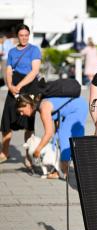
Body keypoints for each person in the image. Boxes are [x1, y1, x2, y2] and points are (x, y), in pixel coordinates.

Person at [15, 93, 88, 178]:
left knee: (64, 136)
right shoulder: (42, 104)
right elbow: (56, 123)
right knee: (60, 135)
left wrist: (37, 150)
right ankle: (64, 168)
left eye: (21, 110)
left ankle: (64, 172)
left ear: (27, 105)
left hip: (77, 108)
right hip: (78, 103)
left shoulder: (43, 108)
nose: (21, 114)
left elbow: (48, 133)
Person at [0, 24, 41, 165]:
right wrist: (10, 85)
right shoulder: (12, 52)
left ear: (29, 35)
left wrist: (19, 86)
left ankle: (28, 156)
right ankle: (4, 152)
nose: (24, 38)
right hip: (14, 85)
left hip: (30, 86)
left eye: (26, 35)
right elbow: (9, 70)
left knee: (28, 123)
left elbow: (34, 71)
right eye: (21, 35)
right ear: (17, 36)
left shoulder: (34, 50)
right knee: (6, 119)